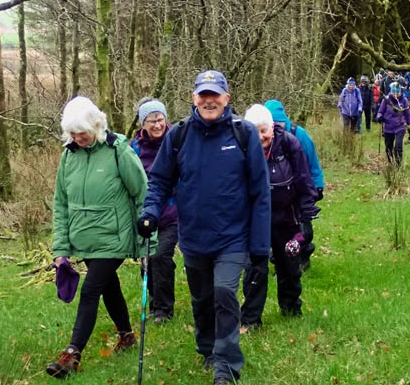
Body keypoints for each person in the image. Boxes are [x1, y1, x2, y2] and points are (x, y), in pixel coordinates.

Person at [137, 70, 271, 385]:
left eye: (215, 94)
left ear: (226, 98)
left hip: (232, 237)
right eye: (203, 94)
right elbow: (159, 182)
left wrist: (260, 247)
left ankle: (226, 365)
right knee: (202, 299)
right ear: (194, 98)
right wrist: (150, 213)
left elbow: (260, 192)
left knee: (224, 292)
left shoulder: (245, 135)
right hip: (194, 238)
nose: (209, 100)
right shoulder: (179, 135)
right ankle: (207, 349)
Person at [47, 96, 151, 378]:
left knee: (91, 289)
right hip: (85, 239)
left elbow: (142, 193)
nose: (78, 138)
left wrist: (147, 241)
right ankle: (127, 336)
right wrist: (61, 249)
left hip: (114, 236)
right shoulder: (69, 156)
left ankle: (72, 353)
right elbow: (61, 204)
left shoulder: (118, 150)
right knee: (108, 286)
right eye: (73, 133)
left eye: (82, 132)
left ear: (96, 125)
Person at [240, 104, 319, 331]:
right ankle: (251, 319)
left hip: (287, 216)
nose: (260, 136)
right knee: (255, 268)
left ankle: (291, 308)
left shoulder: (290, 144)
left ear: (272, 128)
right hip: (255, 219)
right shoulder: (241, 149)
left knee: (289, 266)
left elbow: (304, 180)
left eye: (263, 130)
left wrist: (306, 217)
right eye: (254, 131)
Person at [131, 99, 179, 324]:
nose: (157, 125)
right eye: (152, 121)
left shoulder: (177, 140)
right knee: (147, 260)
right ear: (143, 124)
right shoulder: (135, 148)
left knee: (161, 256)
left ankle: (163, 309)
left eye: (160, 119)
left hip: (173, 212)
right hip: (146, 213)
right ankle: (153, 302)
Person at [264, 99, 324, 270]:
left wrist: (317, 186)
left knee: (303, 229)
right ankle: (280, 261)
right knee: (275, 230)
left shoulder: (300, 135)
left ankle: (303, 255)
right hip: (276, 194)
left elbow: (313, 162)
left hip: (301, 189)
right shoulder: (261, 138)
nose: (278, 127)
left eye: (280, 123)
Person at [375, 82, 410, 166]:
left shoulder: (404, 100)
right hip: (388, 126)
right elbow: (380, 112)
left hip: (400, 126)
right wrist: (379, 117)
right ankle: (391, 162)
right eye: (394, 92)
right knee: (388, 147)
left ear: (400, 92)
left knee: (398, 146)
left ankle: (398, 165)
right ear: (391, 92)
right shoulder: (386, 100)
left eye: (397, 93)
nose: (395, 95)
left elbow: (407, 114)